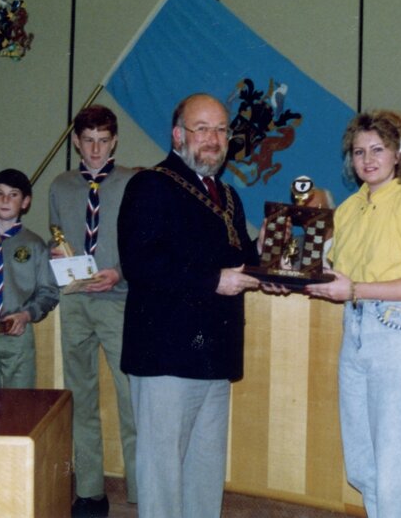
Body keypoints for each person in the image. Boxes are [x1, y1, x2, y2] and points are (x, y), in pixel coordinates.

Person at [118, 93, 261, 518]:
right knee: (162, 472)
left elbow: (240, 259)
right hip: (165, 355)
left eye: (221, 130)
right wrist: (215, 280)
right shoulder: (150, 185)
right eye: (202, 129)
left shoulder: (228, 195)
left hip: (214, 355)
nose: (213, 139)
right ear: (178, 135)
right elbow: (140, 262)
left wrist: (271, 252)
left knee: (205, 470)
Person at [305, 109, 401, 518]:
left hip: (400, 334)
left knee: (397, 468)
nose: (367, 159)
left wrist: (355, 289)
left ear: (399, 153)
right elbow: (331, 272)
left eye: (378, 149)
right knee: (364, 464)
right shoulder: (348, 209)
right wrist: (285, 267)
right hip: (356, 332)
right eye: (358, 152)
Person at [48, 105, 137, 518]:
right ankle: (89, 491)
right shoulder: (60, 185)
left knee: (131, 397)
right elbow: (57, 236)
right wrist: (56, 255)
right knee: (80, 397)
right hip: (76, 301)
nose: (96, 150)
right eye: (88, 141)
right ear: (76, 142)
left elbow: (143, 245)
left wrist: (119, 272)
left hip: (118, 299)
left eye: (103, 141)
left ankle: (141, 489)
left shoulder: (132, 183)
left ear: (114, 140)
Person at [0, 168, 59, 388]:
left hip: (17, 332)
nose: (5, 200)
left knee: (20, 402)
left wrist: (26, 315)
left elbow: (49, 292)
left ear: (25, 202)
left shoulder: (35, 245)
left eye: (13, 194)